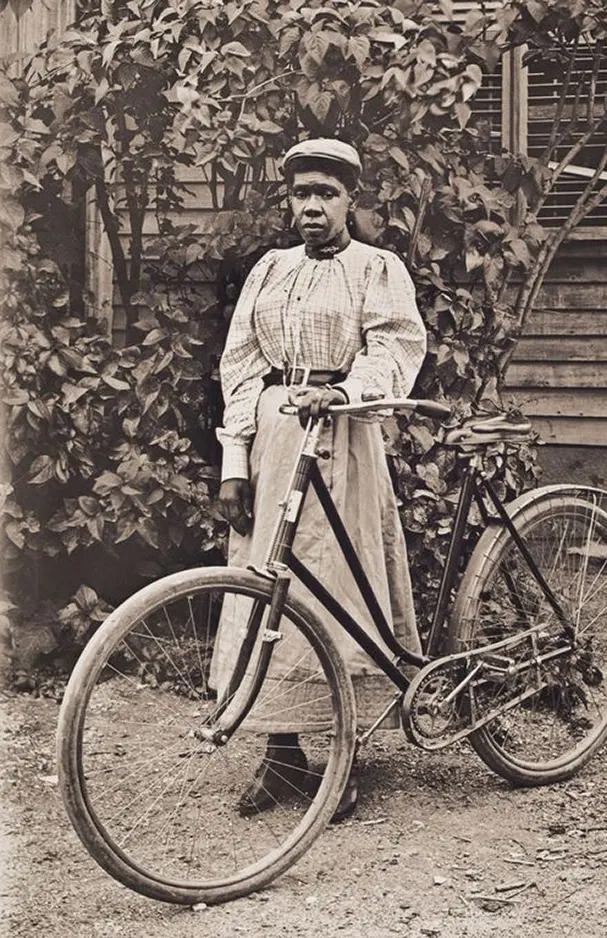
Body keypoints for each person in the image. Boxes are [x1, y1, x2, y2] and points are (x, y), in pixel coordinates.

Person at [211, 138, 427, 820]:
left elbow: (396, 344)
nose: (312, 205)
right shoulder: (270, 271)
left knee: (341, 587)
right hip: (278, 438)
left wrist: (347, 392)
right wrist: (234, 466)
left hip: (346, 435)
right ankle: (279, 755)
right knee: (266, 580)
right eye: (302, 193)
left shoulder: (375, 268)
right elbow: (240, 364)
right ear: (290, 199)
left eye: (325, 194)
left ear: (350, 200)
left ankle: (343, 756)